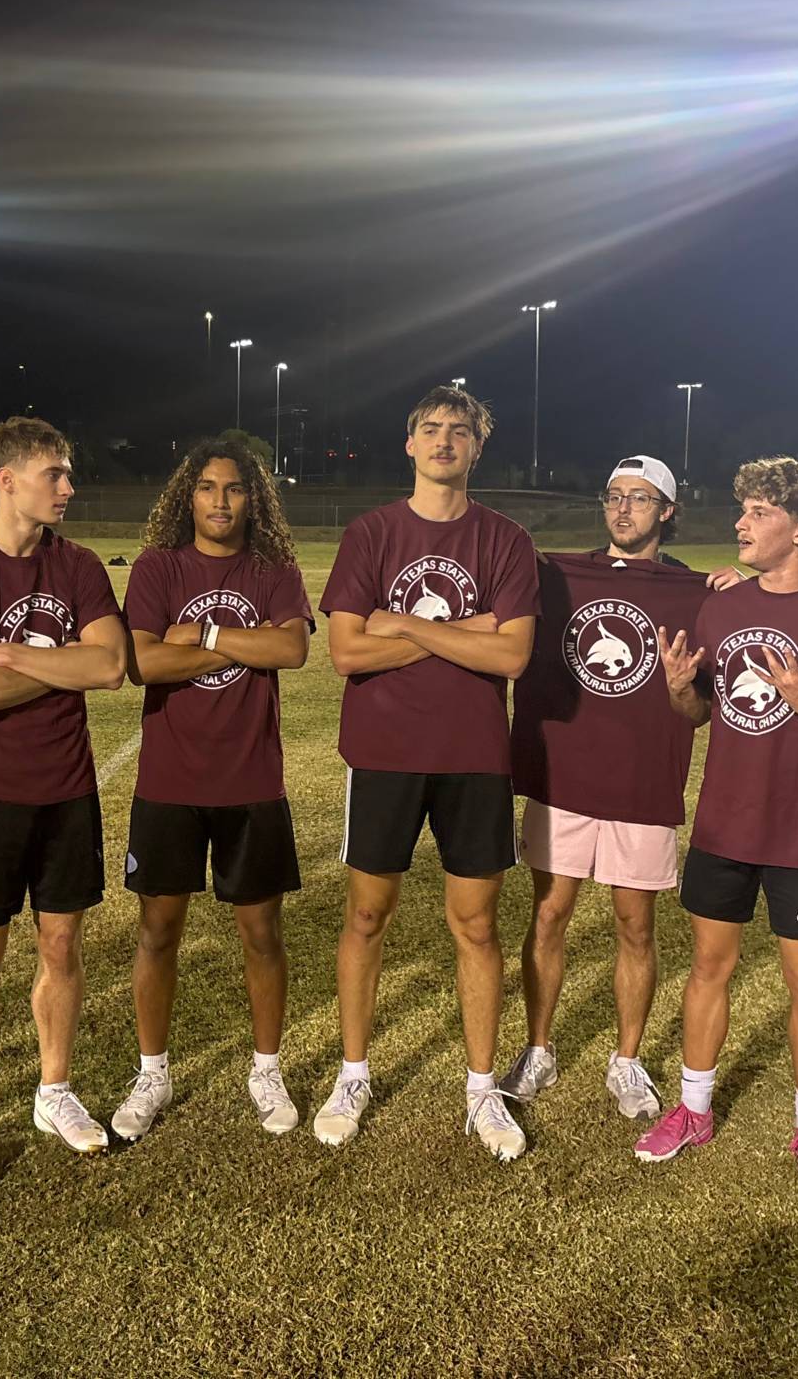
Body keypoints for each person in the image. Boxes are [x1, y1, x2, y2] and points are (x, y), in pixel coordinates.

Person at [635, 457, 798, 1198]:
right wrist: (680, 689)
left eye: (758, 512)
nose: (741, 523)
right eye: (742, 510)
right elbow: (702, 715)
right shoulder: (721, 605)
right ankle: (693, 1112)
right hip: (724, 824)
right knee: (709, 968)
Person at [314, 385, 540, 1161]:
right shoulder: (372, 532)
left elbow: (512, 653)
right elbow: (346, 650)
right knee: (367, 918)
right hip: (383, 754)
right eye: (431, 429)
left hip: (476, 757)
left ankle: (482, 1089)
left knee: (476, 925)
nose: (445, 441)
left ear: (479, 448)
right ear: (409, 444)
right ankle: (353, 1072)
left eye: (460, 431)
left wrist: (403, 623)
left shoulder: (505, 540)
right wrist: (457, 630)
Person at [0, 417, 127, 1188]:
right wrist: (58, 663)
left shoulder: (76, 565)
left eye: (68, 474)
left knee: (62, 946)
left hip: (67, 787)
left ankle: (54, 1090)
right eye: (56, 474)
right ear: (7, 480)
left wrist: (17, 653)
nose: (69, 488)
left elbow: (111, 668)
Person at [109, 439, 314, 1141]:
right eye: (206, 488)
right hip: (169, 782)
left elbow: (291, 648)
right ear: (186, 497)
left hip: (251, 781)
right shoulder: (158, 567)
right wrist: (240, 638)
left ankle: (265, 1068)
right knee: (158, 931)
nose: (220, 501)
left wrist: (203, 630)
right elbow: (143, 662)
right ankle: (153, 1071)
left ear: (253, 498)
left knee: (261, 933)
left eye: (233, 489)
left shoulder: (274, 570)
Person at [500, 455, 709, 1122]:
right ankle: (537, 1048)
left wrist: (731, 592)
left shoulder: (696, 592)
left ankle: (627, 1059)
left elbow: (700, 707)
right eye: (614, 496)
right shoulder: (556, 576)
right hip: (564, 771)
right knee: (550, 913)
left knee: (634, 925)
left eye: (641, 499)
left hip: (643, 779)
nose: (623, 510)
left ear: (667, 512)